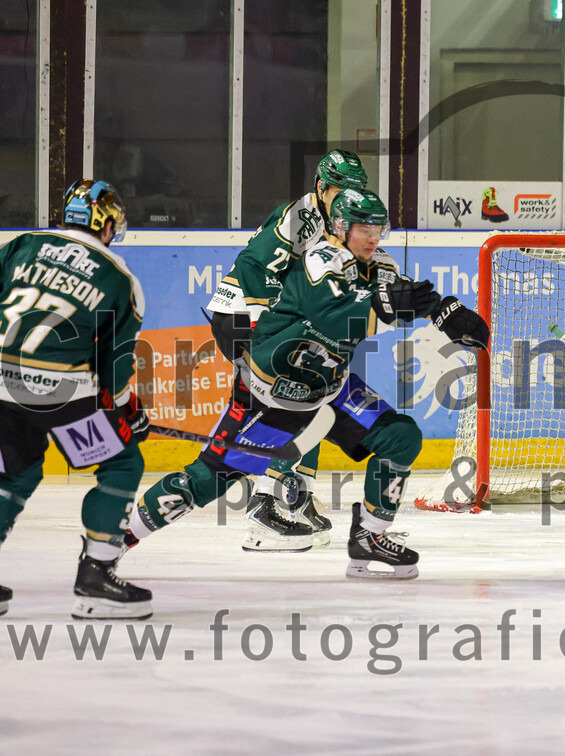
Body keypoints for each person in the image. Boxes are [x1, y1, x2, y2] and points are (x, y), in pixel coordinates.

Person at [124, 189, 489, 581]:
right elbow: (333, 313)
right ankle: (115, 542)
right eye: (364, 229)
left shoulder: (379, 263)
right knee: (204, 481)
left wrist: (443, 310)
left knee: (400, 437)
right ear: (340, 228)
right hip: (271, 396)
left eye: (378, 229)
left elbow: (404, 293)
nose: (373, 237)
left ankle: (369, 539)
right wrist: (386, 304)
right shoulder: (317, 260)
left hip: (331, 390)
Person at [0, 179, 151, 619]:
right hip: (60, 392)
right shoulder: (119, 276)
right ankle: (97, 577)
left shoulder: (21, 245)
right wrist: (125, 407)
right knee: (122, 463)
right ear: (107, 225)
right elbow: (114, 363)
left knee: (14, 474)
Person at [206, 149, 368, 551]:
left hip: (258, 319)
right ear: (321, 187)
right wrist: (269, 329)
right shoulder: (303, 218)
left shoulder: (335, 224)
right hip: (242, 318)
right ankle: (265, 504)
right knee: (302, 400)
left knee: (321, 399)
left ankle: (297, 498)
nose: (348, 200)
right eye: (341, 191)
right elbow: (254, 267)